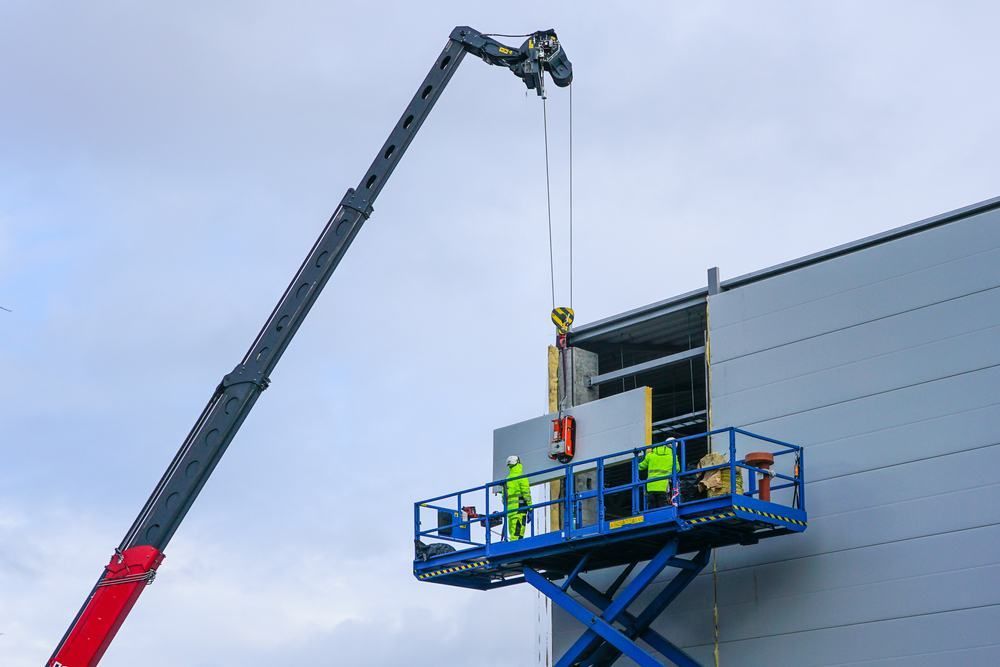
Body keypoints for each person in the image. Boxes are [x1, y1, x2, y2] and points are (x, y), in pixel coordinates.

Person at [639, 441, 677, 509]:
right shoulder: (672, 456)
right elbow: (677, 469)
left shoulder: (650, 455)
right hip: (663, 486)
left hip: (650, 486)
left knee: (652, 507)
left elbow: (640, 467)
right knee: (663, 507)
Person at [504, 455, 532, 541]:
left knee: (513, 532)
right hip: (520, 509)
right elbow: (526, 494)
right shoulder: (521, 477)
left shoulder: (506, 480)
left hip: (510, 511)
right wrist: (530, 508)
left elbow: (503, 498)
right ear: (518, 463)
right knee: (518, 534)